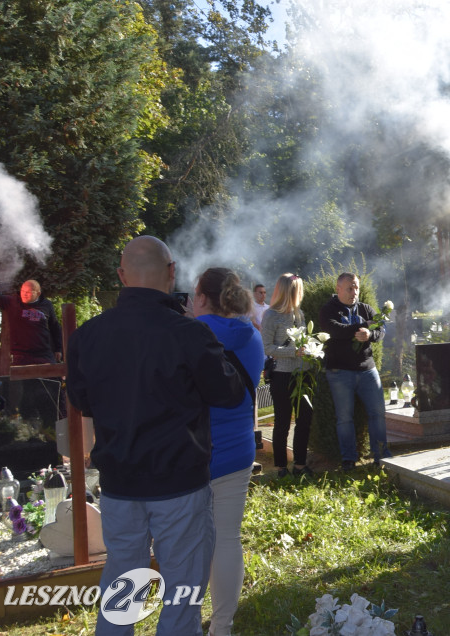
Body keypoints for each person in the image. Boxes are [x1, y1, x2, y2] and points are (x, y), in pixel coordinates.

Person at [66, 236, 244, 636]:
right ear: (171, 272)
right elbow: (228, 393)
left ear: (121, 275)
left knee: (122, 588)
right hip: (178, 484)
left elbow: (83, 401)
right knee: (181, 594)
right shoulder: (189, 334)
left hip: (119, 484)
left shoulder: (88, 336)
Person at [191, 268, 265, 636]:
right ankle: (222, 627)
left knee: (188, 542)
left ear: (202, 298)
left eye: (192, 294)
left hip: (192, 453)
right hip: (236, 450)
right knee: (227, 538)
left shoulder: (188, 336)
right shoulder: (252, 336)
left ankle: (185, 622)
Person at [320, 273, 392, 471]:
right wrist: (361, 327)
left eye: (356, 288)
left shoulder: (365, 308)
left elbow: (381, 330)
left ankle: (381, 455)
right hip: (339, 372)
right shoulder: (328, 309)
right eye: (350, 288)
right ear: (338, 288)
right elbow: (335, 330)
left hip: (367, 369)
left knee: (377, 413)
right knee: (345, 418)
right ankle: (349, 459)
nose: (354, 292)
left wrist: (370, 334)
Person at [261, 273, 312, 477]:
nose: (301, 293)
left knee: (305, 420)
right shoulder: (271, 315)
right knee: (282, 422)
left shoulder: (300, 314)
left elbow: (303, 341)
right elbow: (267, 348)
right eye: (298, 289)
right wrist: (293, 352)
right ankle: (281, 467)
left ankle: (300, 464)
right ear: (289, 291)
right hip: (282, 374)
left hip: (304, 374)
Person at [0, 280, 62, 365]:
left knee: (52, 377)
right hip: (20, 355)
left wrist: (58, 349)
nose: (24, 294)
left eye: (28, 292)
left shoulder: (46, 304)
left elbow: (55, 327)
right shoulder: (12, 301)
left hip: (44, 354)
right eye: (23, 291)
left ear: (38, 294)